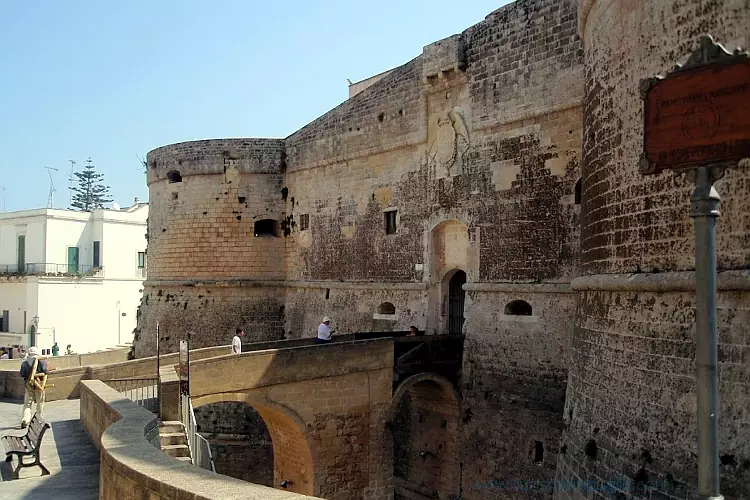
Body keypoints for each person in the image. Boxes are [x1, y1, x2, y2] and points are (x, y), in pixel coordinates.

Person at [20, 346, 48, 428]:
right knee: (40, 403)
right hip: (39, 384)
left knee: (27, 404)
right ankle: (39, 420)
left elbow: (22, 374)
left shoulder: (25, 363)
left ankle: (25, 419)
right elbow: (45, 371)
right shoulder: (42, 361)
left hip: (28, 384)